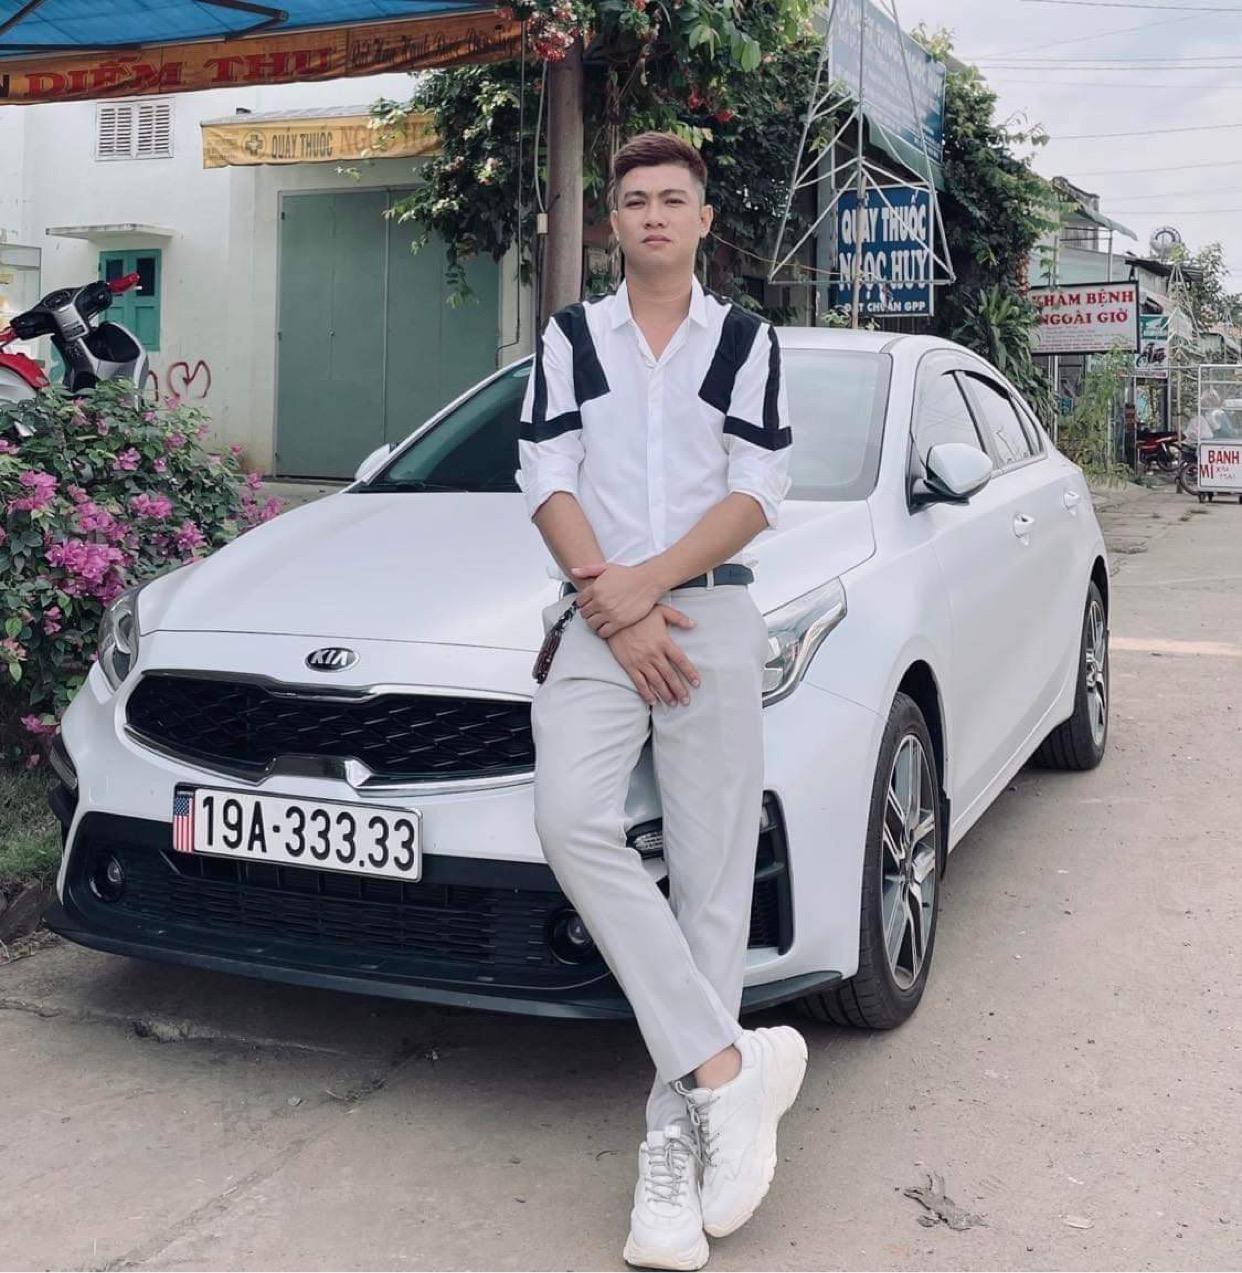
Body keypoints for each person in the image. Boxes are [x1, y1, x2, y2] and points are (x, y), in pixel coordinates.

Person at [517, 131, 808, 1271]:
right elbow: (546, 475)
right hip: (598, 617)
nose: (651, 214)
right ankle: (729, 1068)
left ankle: (675, 1148)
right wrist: (617, 599)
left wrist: (652, 583)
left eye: (671, 199)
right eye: (633, 199)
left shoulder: (744, 341)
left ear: (702, 219)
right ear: (614, 222)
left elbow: (759, 488)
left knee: (712, 883)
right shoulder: (571, 338)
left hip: (711, 614)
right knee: (570, 819)